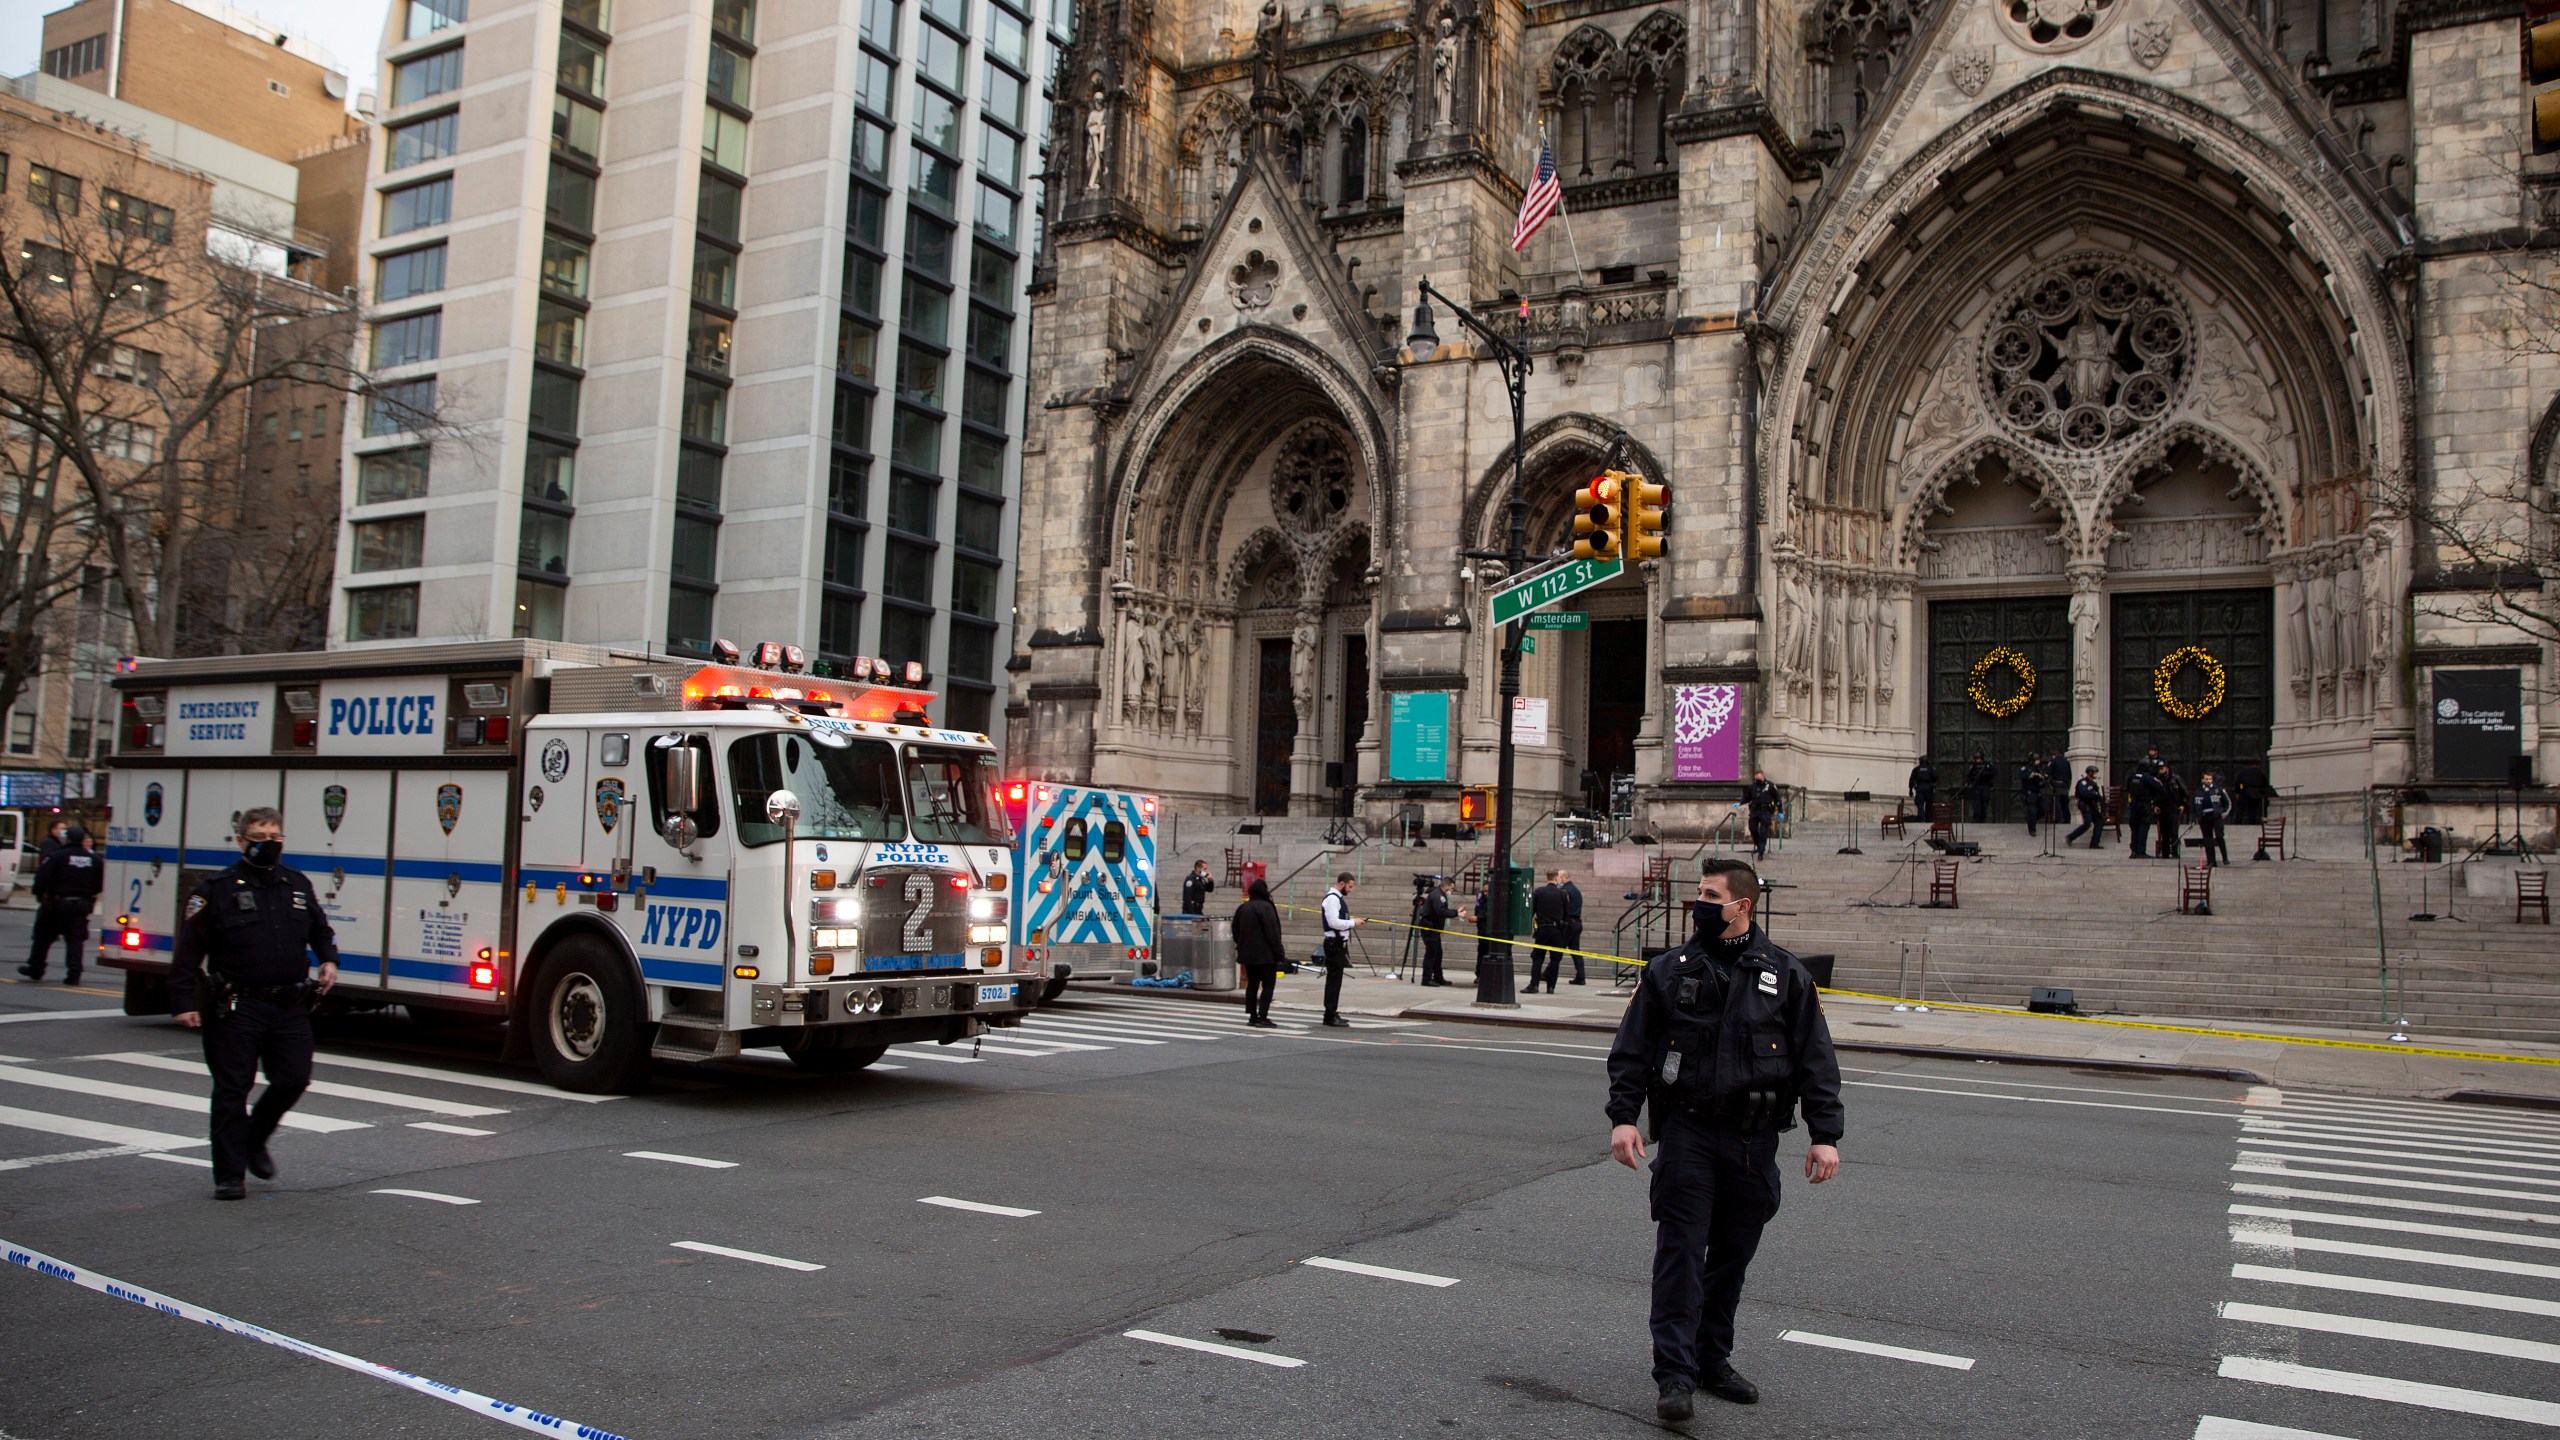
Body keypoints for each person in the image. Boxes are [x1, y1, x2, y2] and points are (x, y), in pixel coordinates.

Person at [1606, 858, 1844, 1422]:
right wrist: (1623, 1117)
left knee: (1732, 1259)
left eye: (1711, 895)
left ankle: (1713, 1359)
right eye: (1698, 893)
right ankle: (1675, 1376)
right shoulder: (1669, 970)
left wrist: (1825, 1134)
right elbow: (1632, 1049)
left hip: (1752, 1139)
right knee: (1680, 1256)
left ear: (1743, 905)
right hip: (1688, 1131)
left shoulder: (1785, 975)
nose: (1700, 904)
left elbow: (1817, 1059)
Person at [169, 808, 338, 1201]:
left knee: (293, 1079)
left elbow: (319, 928)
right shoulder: (214, 890)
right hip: (235, 1005)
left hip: (288, 1003)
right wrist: (181, 1000)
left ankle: (252, 1139)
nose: (270, 841)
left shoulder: (295, 884)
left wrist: (328, 958)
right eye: (261, 835)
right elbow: (188, 951)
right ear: (242, 840)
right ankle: (229, 1176)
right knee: (232, 1089)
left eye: (276, 834)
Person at [19, 824, 103, 985]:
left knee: (43, 937)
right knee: (75, 941)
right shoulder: (94, 860)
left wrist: (39, 894)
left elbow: (42, 879)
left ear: (68, 839)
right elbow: (99, 884)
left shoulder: (58, 857)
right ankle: (74, 974)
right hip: (81, 905)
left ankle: (36, 968)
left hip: (57, 904)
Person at [1231, 879, 1286, 1026]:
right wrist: (1279, 952)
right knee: (1268, 985)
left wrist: (1241, 943)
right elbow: (1272, 932)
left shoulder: (1243, 908)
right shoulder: (1266, 907)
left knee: (1252, 984)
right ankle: (1263, 1015)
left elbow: (1235, 929)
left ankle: (1252, 1015)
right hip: (1266, 954)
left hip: (1248, 953)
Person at [1317, 872, 1359, 1027]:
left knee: (1336, 980)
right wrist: (1353, 923)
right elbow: (1333, 922)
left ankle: (1332, 1011)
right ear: (1342, 884)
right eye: (1349, 886)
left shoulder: (1337, 899)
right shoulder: (1332, 899)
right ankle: (1329, 1014)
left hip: (1339, 943)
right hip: (1334, 943)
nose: (1350, 890)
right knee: (1333, 981)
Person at [1529, 870, 1570, 994]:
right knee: (1555, 959)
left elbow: (1532, 910)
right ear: (1556, 878)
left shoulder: (1538, 892)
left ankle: (1534, 984)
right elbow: (1566, 914)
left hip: (1542, 928)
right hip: (1557, 929)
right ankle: (1551, 986)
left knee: (1538, 957)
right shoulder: (1562, 893)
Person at [1413, 875, 1451, 987]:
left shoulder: (1439, 894)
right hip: (1429, 928)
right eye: (1451, 888)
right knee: (1431, 953)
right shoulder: (1437, 895)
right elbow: (1441, 911)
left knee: (1438, 953)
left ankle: (1438, 977)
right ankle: (1426, 978)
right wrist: (1456, 913)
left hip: (1435, 928)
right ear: (1446, 886)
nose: (1451, 891)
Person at [2193, 771, 2233, 867]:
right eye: (2206, 779)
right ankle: (2211, 861)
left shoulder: (2218, 789)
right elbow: (2194, 806)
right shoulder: (2198, 792)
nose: (2208, 781)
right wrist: (2197, 817)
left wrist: (2224, 813)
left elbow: (2227, 802)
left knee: (2219, 836)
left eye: (2210, 779)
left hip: (2216, 816)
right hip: (2204, 817)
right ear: (2202, 780)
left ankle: (2225, 858)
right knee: (2207, 839)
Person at [2125, 762, 2161, 859]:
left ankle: (2134, 851)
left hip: (2134, 805)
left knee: (2134, 828)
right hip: (2144, 805)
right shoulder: (2147, 777)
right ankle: (2141, 851)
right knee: (2143, 827)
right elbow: (2159, 787)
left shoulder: (2132, 776)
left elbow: (2128, 788)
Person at [1743, 771, 1781, 861]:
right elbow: (1746, 797)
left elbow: (1777, 798)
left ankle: (1761, 852)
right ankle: (1759, 845)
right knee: (1752, 828)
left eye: (1759, 778)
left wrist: (1781, 811)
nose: (1758, 780)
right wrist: (1740, 802)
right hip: (1754, 811)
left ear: (1763, 777)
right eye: (1756, 778)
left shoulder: (1770, 786)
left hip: (1765, 811)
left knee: (1763, 831)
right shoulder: (1753, 787)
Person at [2066, 765, 2106, 849]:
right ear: (2090, 773)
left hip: (2092, 806)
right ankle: (2071, 837)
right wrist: (2094, 794)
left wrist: (2098, 797)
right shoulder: (2083, 782)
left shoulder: (2093, 783)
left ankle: (2094, 843)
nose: (2096, 775)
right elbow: (2084, 793)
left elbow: (2096, 794)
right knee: (2087, 823)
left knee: (2100, 821)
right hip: (2085, 806)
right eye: (2094, 773)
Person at [2155, 765, 2189, 860]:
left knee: (2173, 831)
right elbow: (2155, 794)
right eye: (2160, 769)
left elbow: (2184, 792)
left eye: (2162, 768)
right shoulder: (2158, 780)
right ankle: (2165, 852)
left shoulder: (2175, 779)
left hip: (2173, 807)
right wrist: (2155, 805)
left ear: (2167, 769)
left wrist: (2183, 804)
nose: (2161, 770)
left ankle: (2174, 852)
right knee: (2164, 832)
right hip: (2162, 808)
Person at [1563, 871, 1587, 985]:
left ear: (1564, 877)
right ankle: (1581, 976)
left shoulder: (1565, 890)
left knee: (1558, 949)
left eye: (1558, 877)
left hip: (1569, 923)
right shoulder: (1576, 890)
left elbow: (1564, 906)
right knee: (1575, 950)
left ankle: (1548, 974)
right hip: (1577, 922)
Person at [2019, 752, 2047, 836]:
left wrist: (2043, 777)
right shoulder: (2026, 768)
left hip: (2038, 793)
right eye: (2036, 760)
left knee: (2043, 808)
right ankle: (2032, 829)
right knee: (2032, 811)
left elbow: (2044, 777)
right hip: (2030, 793)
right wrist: (2033, 774)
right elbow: (2023, 776)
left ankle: (2030, 819)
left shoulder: (2040, 768)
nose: (2038, 762)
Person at [2234, 761, 2269, 826]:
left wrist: (2238, 791)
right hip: (2255, 793)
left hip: (2244, 792)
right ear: (2257, 766)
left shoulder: (2243, 773)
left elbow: (2238, 783)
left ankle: (2238, 822)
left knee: (2240, 809)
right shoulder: (2260, 773)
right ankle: (2251, 823)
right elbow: (2265, 785)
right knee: (2253, 810)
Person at [1963, 753, 1995, 824]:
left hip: (1985, 786)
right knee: (1976, 803)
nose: (1978, 760)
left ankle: (1983, 818)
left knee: (1985, 802)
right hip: (1976, 786)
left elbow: (1993, 773)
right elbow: (1969, 776)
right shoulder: (1973, 766)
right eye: (1976, 758)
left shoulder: (1987, 765)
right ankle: (1977, 818)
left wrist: (1985, 774)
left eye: (1979, 758)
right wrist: (1970, 783)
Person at [1907, 757, 1939, 824]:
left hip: (1919, 788)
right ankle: (1928, 819)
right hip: (1928, 787)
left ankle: (1921, 819)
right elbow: (1935, 776)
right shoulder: (1931, 768)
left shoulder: (1916, 769)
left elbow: (1911, 779)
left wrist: (1910, 790)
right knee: (1929, 804)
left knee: (1920, 804)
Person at [2046, 751, 2073, 825]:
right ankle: (2067, 818)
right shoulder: (2066, 762)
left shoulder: (2053, 762)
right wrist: (2068, 786)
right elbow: (2070, 775)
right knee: (2065, 802)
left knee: (2057, 802)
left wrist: (2051, 784)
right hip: (2064, 784)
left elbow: (2048, 773)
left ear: (2054, 755)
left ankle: (2059, 818)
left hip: (2056, 784)